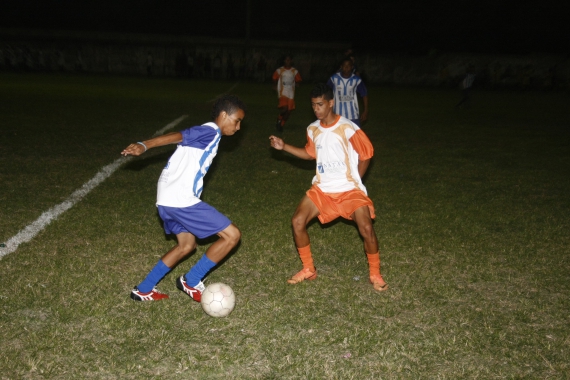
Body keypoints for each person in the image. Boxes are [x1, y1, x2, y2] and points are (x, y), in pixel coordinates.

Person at [121, 94, 246, 302]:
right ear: (224, 115)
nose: (238, 127)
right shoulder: (210, 131)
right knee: (232, 235)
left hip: (165, 199)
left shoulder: (210, 135)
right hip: (180, 199)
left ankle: (143, 290)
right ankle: (191, 280)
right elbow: (178, 135)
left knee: (186, 246)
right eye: (237, 121)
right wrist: (145, 145)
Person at [268, 83, 387, 292]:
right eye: (313, 105)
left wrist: (356, 181)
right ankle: (308, 269)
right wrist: (284, 146)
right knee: (297, 221)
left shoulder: (348, 127)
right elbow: (309, 153)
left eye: (320, 104)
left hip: (349, 190)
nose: (316, 109)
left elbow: (366, 153)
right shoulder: (313, 129)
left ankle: (375, 273)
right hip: (322, 189)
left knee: (367, 228)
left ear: (331, 103)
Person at [327, 57, 369, 127]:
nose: (346, 68)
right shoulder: (334, 78)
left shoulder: (356, 79)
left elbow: (364, 94)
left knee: (354, 136)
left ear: (352, 67)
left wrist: (365, 111)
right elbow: (326, 92)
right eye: (344, 66)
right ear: (341, 66)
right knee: (339, 136)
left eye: (349, 66)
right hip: (337, 115)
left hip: (353, 115)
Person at [272, 55, 302, 132]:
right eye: (286, 60)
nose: (288, 61)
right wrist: (275, 85)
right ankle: (279, 119)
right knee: (284, 109)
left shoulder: (294, 71)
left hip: (291, 92)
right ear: (284, 61)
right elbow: (274, 77)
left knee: (288, 111)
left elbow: (299, 79)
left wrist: (297, 83)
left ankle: (281, 125)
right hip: (283, 91)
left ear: (291, 61)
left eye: (289, 60)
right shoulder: (280, 70)